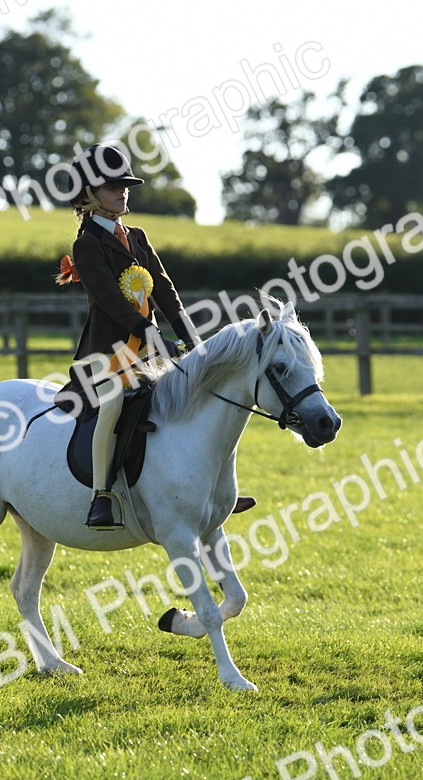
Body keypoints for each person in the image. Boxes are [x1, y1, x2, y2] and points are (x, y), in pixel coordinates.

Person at [56, 143, 254, 529]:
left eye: (125, 184)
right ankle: (102, 495)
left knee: (202, 397)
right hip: (107, 359)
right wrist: (153, 336)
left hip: (148, 356)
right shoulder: (87, 246)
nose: (122, 190)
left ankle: (216, 490)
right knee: (113, 405)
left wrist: (195, 344)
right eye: (112, 185)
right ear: (88, 195)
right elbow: (112, 302)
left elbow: (167, 294)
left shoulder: (139, 237)